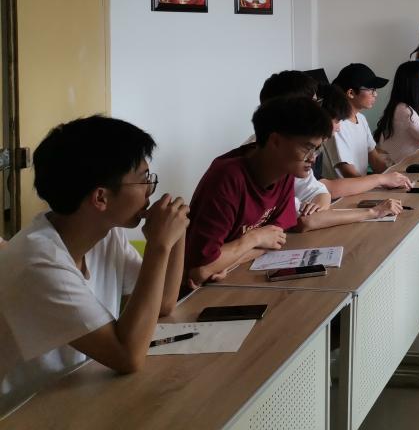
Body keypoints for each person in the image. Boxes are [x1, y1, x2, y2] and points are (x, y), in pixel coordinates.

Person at [0, 116, 189, 417]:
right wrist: (158, 245)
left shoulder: (104, 233)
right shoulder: (39, 262)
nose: (150, 190)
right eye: (144, 179)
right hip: (24, 413)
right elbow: (128, 356)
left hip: (80, 391)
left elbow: (164, 302)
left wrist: (176, 235)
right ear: (100, 197)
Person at [184, 95, 333, 290]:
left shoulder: (284, 172)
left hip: (230, 277)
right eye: (307, 148)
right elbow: (200, 270)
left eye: (317, 149)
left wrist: (229, 259)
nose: (313, 158)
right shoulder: (228, 177)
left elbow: (276, 239)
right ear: (275, 141)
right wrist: (254, 238)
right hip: (191, 293)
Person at [293, 86, 403, 229]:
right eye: (336, 121)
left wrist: (387, 178)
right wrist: (374, 207)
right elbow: (308, 218)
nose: (339, 127)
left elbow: (321, 191)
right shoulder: (292, 158)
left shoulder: (360, 119)